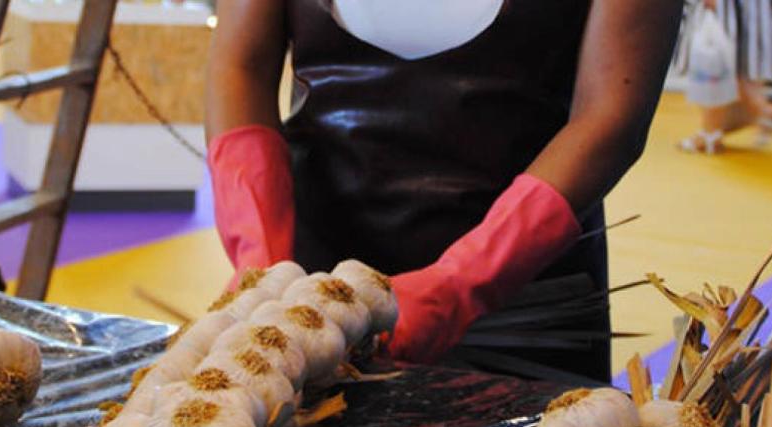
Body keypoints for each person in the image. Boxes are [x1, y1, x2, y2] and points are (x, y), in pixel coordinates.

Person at [205, 0, 683, 383]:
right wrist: (260, 258)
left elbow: (610, 118)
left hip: (523, 296)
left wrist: (462, 282)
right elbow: (241, 64)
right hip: (315, 296)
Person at [676, 0, 772, 153]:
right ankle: (762, 112)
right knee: (739, 66)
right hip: (747, 10)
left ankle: (711, 134)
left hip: (728, 10)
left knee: (717, 63)